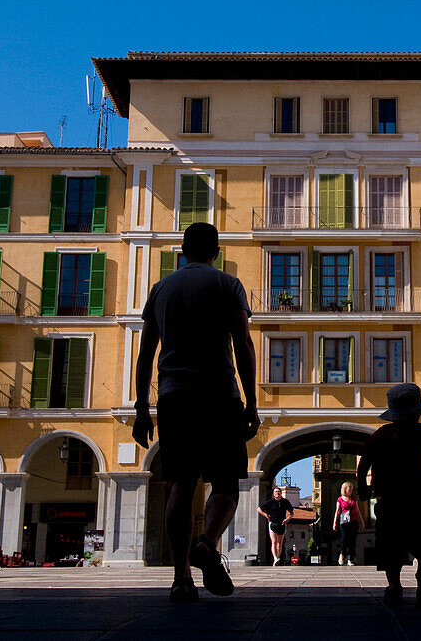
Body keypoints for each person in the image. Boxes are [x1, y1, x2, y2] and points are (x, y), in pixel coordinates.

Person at [133, 222, 261, 603]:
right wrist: (251, 403)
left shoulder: (161, 289)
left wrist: (142, 408)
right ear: (216, 251)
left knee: (181, 484)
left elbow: (145, 356)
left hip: (174, 396)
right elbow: (243, 344)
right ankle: (206, 542)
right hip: (220, 394)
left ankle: (180, 579)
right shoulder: (227, 284)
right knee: (225, 482)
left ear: (182, 251)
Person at [356, 382, 421, 606]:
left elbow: (364, 462)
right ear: (417, 413)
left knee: (389, 546)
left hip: (388, 500)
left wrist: (361, 487)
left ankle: (394, 587)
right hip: (416, 497)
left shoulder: (381, 434)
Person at [258, 485, 294, 566]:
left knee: (279, 543)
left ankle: (277, 558)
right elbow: (259, 509)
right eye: (276, 492)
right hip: (272, 523)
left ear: (281, 493)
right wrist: (266, 515)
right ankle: (275, 558)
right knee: (274, 542)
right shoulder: (270, 502)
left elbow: (292, 513)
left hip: (281, 524)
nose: (277, 493)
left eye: (279, 492)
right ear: (274, 494)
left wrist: (287, 519)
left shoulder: (285, 502)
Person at [333, 481, 365, 566]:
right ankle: (342, 555)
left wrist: (362, 522)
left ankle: (350, 559)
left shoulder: (354, 499)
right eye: (349, 489)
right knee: (344, 540)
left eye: (351, 489)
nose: (351, 491)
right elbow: (337, 511)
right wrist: (334, 523)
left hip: (353, 522)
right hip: (344, 522)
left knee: (352, 541)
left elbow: (358, 511)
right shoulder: (340, 499)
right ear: (345, 489)